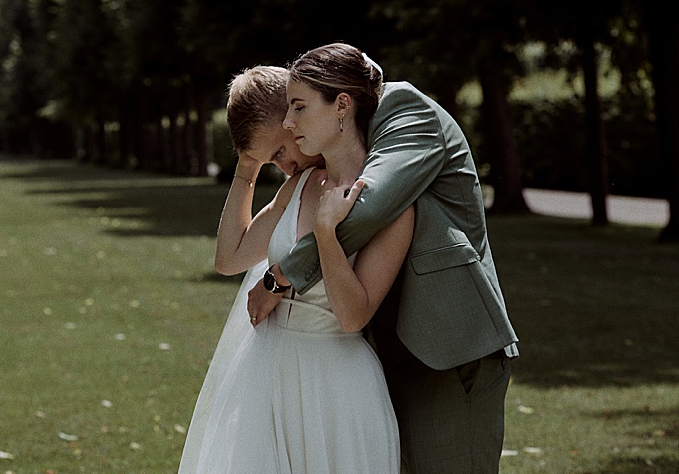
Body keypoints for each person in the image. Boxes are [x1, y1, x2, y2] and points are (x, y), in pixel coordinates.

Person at [246, 43, 519, 474]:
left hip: (448, 347)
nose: (288, 122)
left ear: (341, 103)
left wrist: (282, 276)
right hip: (384, 348)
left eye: (298, 107)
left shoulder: (407, 111)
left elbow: (370, 205)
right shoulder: (344, 142)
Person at [178, 57, 413, 473]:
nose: (285, 163)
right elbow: (229, 258)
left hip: (337, 384)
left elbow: (352, 317)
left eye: (282, 150)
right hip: (269, 374)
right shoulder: (298, 185)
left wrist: (324, 235)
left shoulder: (386, 196)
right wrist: (249, 163)